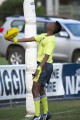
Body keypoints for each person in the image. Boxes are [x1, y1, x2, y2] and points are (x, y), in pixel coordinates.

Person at [6, 21, 62, 120]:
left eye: (52, 24)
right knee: (40, 89)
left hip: (44, 65)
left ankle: (37, 115)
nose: (49, 23)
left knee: (34, 89)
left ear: (52, 29)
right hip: (45, 65)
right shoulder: (45, 35)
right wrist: (14, 40)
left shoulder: (51, 40)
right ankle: (46, 113)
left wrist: (38, 69)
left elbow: (46, 56)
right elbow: (30, 39)